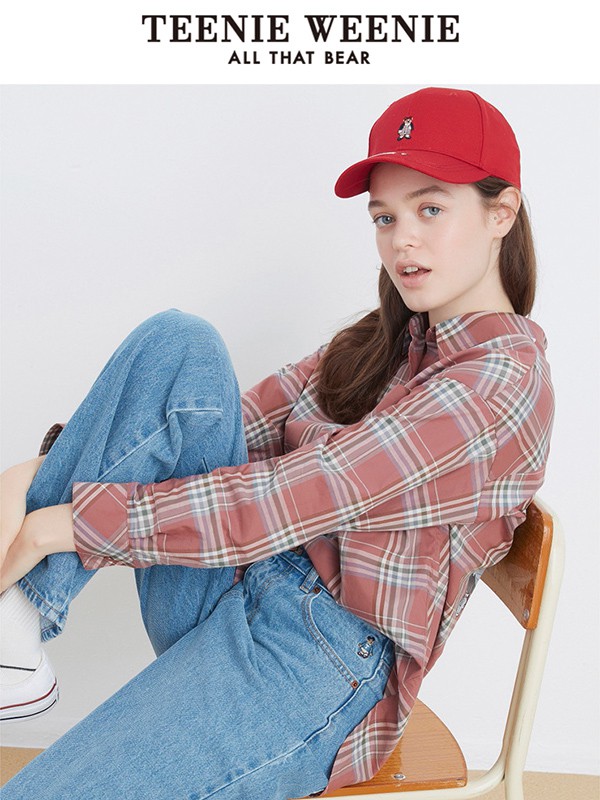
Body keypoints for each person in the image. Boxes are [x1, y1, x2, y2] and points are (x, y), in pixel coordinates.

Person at [0, 87, 555, 799]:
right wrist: (42, 470)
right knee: (179, 344)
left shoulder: (497, 387)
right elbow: (206, 423)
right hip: (239, 584)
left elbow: (294, 496)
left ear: (501, 213)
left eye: (430, 209)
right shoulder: (381, 343)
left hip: (315, 661)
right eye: (385, 217)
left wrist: (67, 522)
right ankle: (16, 623)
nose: (401, 240)